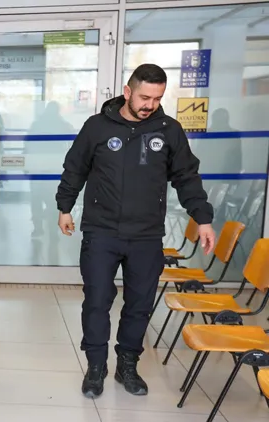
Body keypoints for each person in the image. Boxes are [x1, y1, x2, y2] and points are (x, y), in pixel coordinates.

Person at [55, 63, 216, 399]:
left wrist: (202, 218)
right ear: (127, 92)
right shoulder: (97, 127)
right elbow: (75, 168)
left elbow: (186, 176)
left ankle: (127, 364)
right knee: (97, 301)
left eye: (157, 99)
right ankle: (96, 366)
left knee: (139, 304)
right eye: (144, 97)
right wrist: (64, 207)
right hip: (102, 231)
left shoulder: (168, 130)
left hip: (146, 234)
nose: (150, 105)